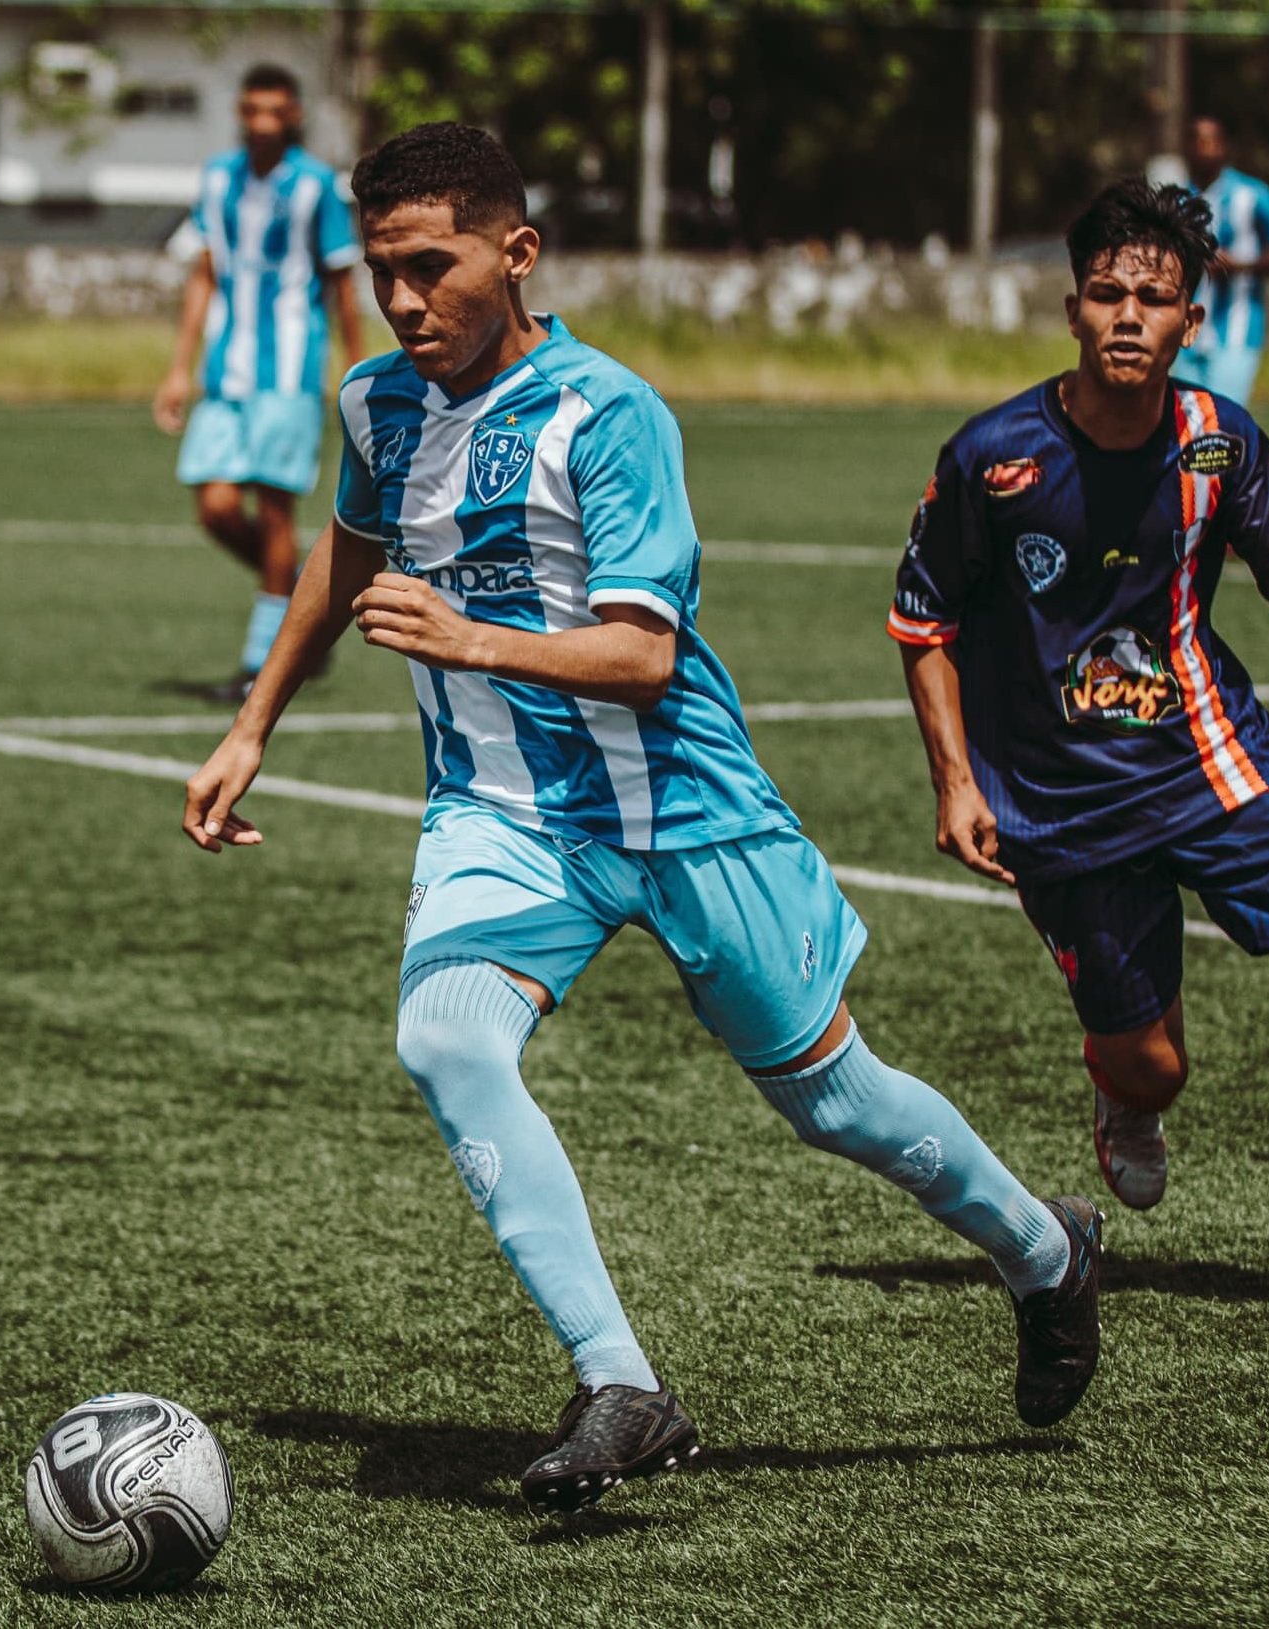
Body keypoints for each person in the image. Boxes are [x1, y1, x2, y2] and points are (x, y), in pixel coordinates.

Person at [181, 123, 1103, 1515]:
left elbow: (641, 655)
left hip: (683, 808)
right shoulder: (376, 408)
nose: (407, 300)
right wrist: (252, 722)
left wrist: (464, 636)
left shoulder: (608, 415)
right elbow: (345, 552)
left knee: (832, 1101)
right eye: (385, 273)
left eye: (432, 266)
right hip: (501, 812)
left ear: (516, 250)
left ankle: (1043, 1250)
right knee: (442, 1038)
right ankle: (621, 1382)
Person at [888, 177, 1269, 1321]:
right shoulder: (992, 458)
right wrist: (957, 783)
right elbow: (923, 626)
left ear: (1192, 322)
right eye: (1110, 294)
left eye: (1156, 300)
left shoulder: (1221, 442)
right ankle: (1127, 1100)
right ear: (1074, 310)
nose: (1131, 316)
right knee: (1154, 1065)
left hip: (1215, 765)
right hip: (1061, 803)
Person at [153, 64, 368, 704]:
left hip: (288, 375)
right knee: (215, 507)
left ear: (294, 114)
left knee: (276, 514)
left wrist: (359, 369)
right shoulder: (218, 178)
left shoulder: (314, 187)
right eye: (252, 110)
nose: (263, 123)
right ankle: (308, 599)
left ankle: (258, 664)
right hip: (227, 374)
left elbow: (340, 284)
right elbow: (203, 273)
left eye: (275, 111)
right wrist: (178, 368)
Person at [1175, 113, 1269, 411]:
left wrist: (1242, 267)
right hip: (1183, 332)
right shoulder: (1179, 199)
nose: (1205, 148)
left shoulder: (1251, 195)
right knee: (1184, 424)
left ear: (1225, 147)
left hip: (1236, 329)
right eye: (1198, 141)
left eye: (1212, 141)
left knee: (1222, 421)